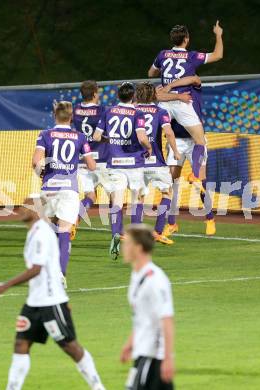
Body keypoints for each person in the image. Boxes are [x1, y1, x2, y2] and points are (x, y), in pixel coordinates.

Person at [0, 197, 105, 390]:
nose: (20, 210)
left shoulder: (42, 232)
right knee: (20, 345)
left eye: (26, 207)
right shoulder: (34, 231)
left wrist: (5, 285)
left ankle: (98, 387)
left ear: (37, 211)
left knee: (70, 347)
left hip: (51, 302)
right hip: (34, 303)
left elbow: (37, 269)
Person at [148, 21, 223, 189]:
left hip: (164, 100)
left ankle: (151, 164)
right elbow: (218, 55)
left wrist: (164, 73)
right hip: (182, 100)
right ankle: (197, 176)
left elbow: (151, 73)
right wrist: (218, 34)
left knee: (155, 133)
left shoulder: (163, 54)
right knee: (201, 140)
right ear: (187, 40)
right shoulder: (191, 57)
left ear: (172, 39)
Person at [32, 101, 96, 285]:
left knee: (49, 232)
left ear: (54, 115)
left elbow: (36, 162)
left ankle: (47, 272)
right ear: (71, 117)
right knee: (64, 232)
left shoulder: (44, 135)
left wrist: (41, 174)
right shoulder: (80, 137)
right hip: (69, 189)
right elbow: (91, 165)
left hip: (49, 188)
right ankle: (60, 275)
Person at [93, 82, 152, 260]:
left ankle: (115, 235)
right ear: (133, 96)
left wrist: (109, 140)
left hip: (115, 162)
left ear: (118, 96)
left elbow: (96, 137)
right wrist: (149, 147)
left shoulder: (108, 111)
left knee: (116, 202)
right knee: (136, 201)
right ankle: (136, 241)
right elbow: (142, 138)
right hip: (134, 162)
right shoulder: (138, 113)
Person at [120, 224, 175, 390]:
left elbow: (166, 320)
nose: (124, 247)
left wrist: (167, 358)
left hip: (154, 357)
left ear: (138, 248)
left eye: (127, 243)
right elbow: (142, 317)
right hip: (142, 353)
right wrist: (130, 344)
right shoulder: (137, 275)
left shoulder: (155, 280)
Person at [160, 76, 216, 236]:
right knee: (172, 183)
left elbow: (195, 79)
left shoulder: (193, 89)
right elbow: (156, 96)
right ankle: (171, 223)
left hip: (194, 141)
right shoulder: (168, 95)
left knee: (200, 181)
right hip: (176, 141)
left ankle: (210, 218)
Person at [135, 81, 180, 245]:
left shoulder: (132, 111)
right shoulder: (161, 112)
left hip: (137, 161)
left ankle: (136, 234)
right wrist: (175, 151)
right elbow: (168, 132)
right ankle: (158, 231)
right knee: (167, 193)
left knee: (139, 197)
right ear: (153, 95)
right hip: (157, 162)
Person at [71, 80, 109, 239]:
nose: (99, 95)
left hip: (83, 160)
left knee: (90, 197)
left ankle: (74, 220)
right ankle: (118, 232)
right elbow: (104, 133)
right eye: (98, 92)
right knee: (115, 195)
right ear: (94, 94)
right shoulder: (102, 110)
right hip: (102, 159)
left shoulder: (75, 110)